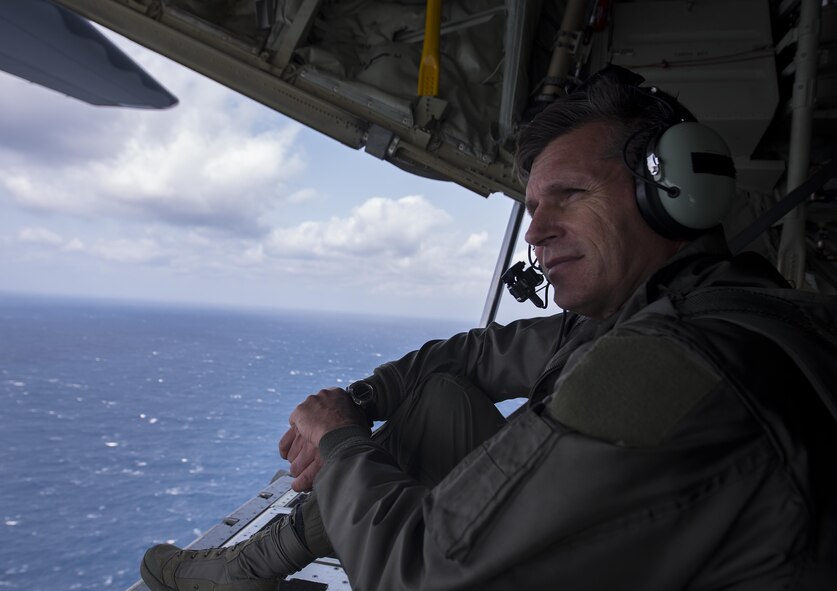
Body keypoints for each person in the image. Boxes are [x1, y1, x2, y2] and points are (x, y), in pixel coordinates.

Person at [140, 65, 837, 590]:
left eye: (568, 194)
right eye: (532, 205)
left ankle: (243, 572)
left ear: (674, 194)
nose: (536, 229)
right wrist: (358, 401)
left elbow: (421, 574)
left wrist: (341, 439)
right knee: (440, 392)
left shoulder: (668, 361)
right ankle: (252, 567)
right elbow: (472, 355)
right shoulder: (680, 307)